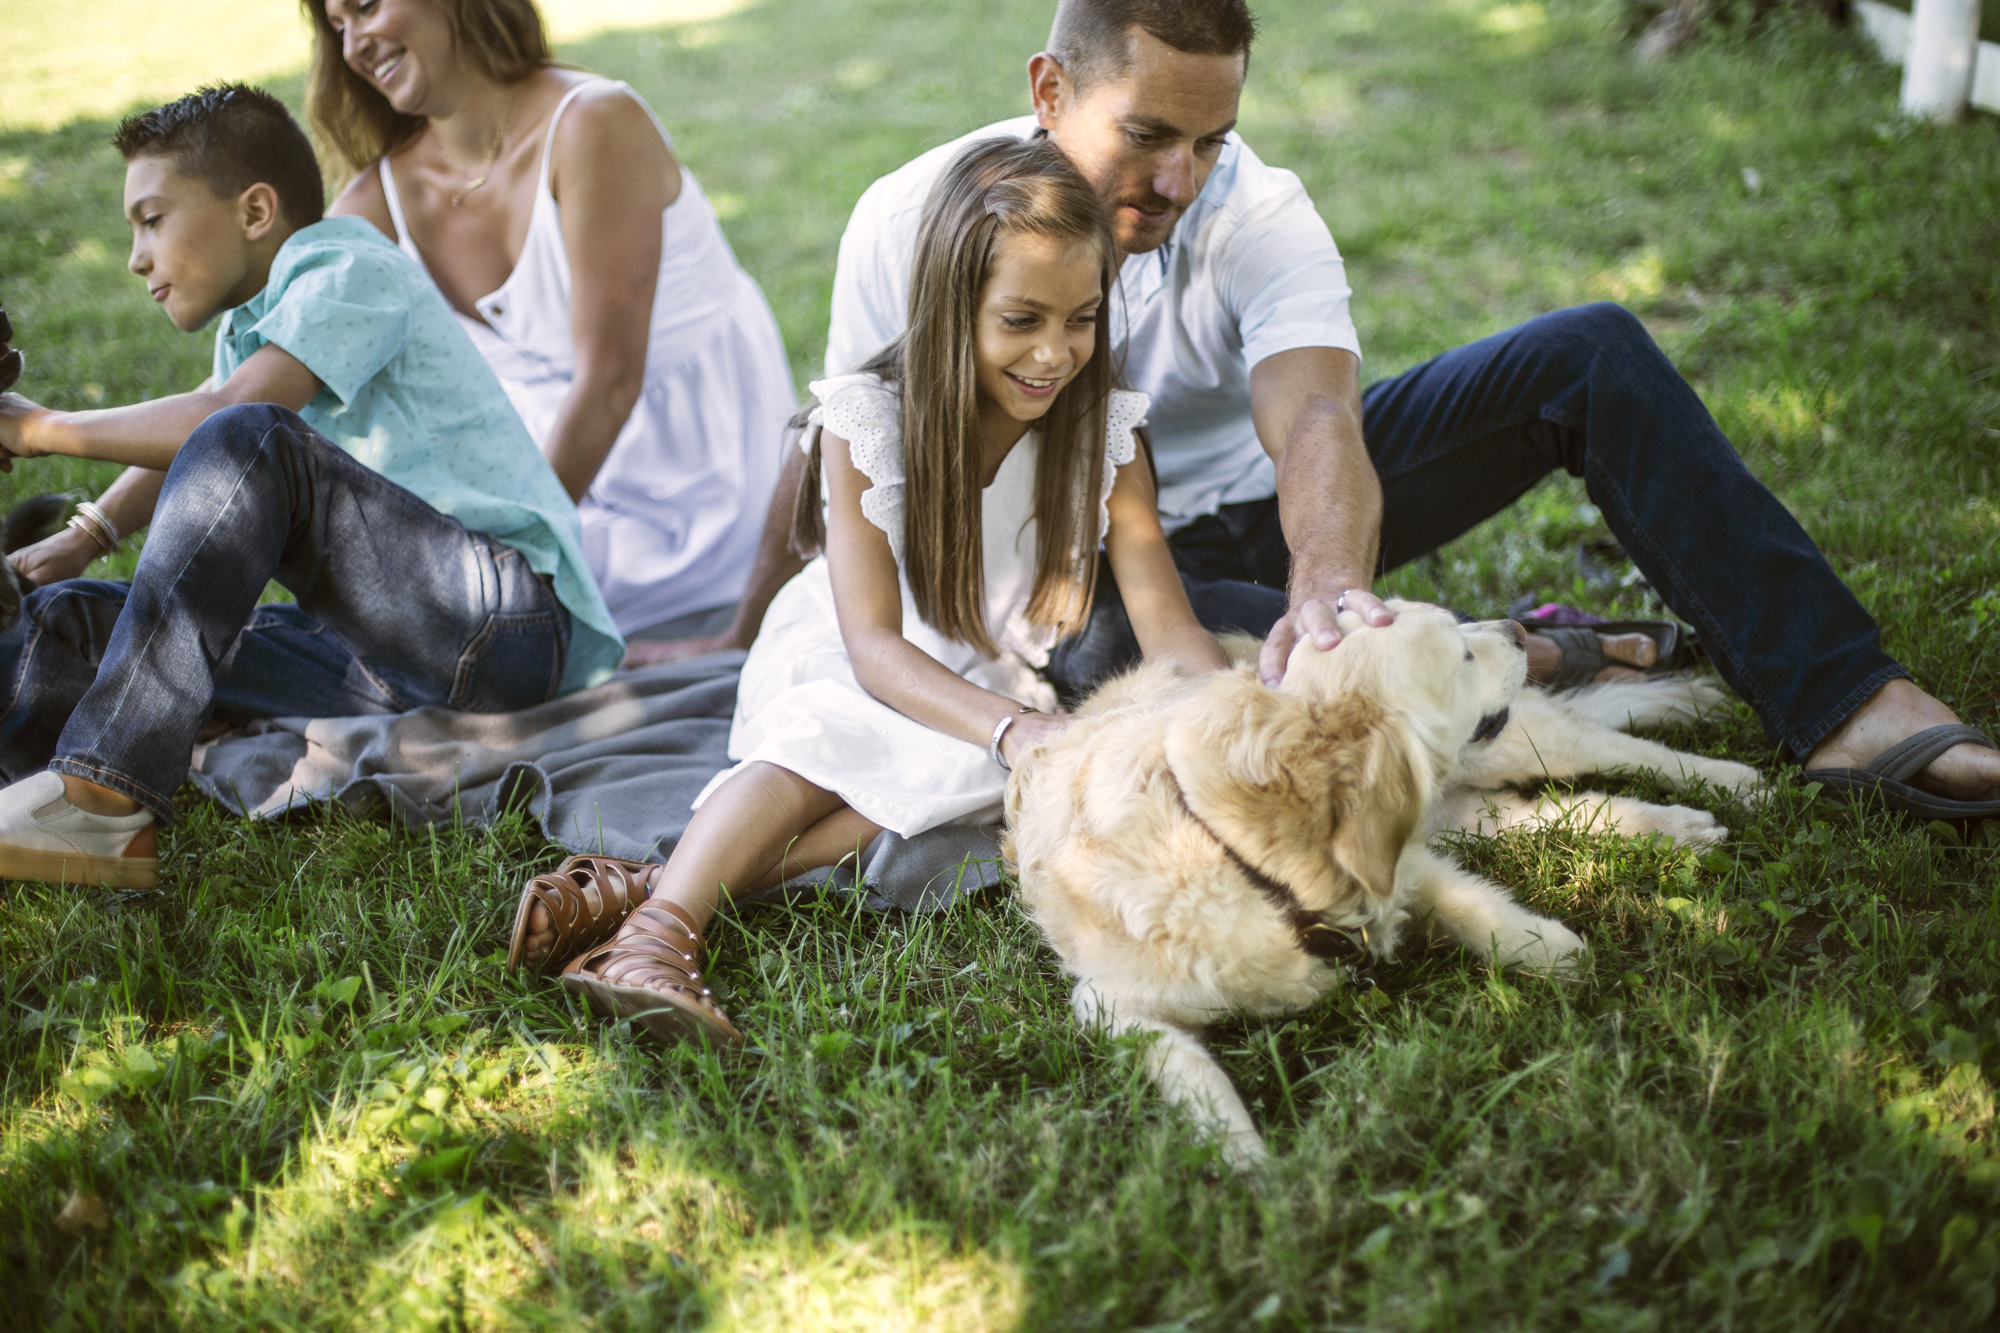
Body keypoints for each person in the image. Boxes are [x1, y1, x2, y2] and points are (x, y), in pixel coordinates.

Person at [693, 0, 2000, 818]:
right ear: (1049, 91)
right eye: (1146, 135)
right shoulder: (915, 219)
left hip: (1264, 513)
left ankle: (1845, 701)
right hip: (1090, 573)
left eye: (1208, 140)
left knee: (1588, 351)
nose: (1179, 179)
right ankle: (1527, 651)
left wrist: (1326, 587)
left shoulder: (1256, 210)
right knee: (1105, 667)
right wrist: (740, 636)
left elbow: (1319, 418)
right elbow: (846, 440)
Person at [507, 138, 1226, 1047]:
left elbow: (1170, 626)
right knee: (842, 731)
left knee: (975, 777)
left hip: (983, 670)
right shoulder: (868, 421)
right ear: (951, 307)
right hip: (851, 648)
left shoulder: (1103, 430)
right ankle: (662, 934)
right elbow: (875, 649)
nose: (1055, 352)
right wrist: (1011, 728)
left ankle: (644, 890)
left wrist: (1237, 715)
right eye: (1021, 319)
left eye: (1081, 319)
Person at [0, 84, 623, 888]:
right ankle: (34, 793)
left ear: (256, 211)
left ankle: (102, 796)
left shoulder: (349, 264)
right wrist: (81, 541)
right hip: (379, 656)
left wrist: (39, 428)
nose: (135, 256)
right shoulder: (253, 326)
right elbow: (201, 436)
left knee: (250, 436)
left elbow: (228, 423)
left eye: (152, 219)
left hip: (503, 625)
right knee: (68, 616)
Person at [310, 0, 796, 645]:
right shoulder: (380, 201)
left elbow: (610, 385)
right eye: (337, 27)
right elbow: (268, 366)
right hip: (560, 499)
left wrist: (497, 571)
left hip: (706, 498)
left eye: (366, 7)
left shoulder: (594, 124)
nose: (353, 47)